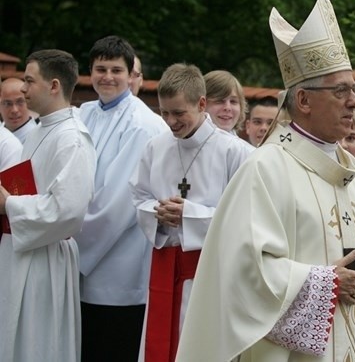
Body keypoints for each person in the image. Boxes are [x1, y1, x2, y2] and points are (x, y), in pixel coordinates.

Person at [176, 0, 355, 362]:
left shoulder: (352, 171)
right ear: (304, 101)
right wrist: (323, 284)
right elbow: (243, 274)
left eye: (354, 90)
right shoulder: (265, 170)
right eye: (341, 91)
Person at [131, 63, 253, 361]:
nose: (171, 121)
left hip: (209, 269)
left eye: (179, 113)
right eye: (165, 113)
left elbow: (246, 216)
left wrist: (189, 213)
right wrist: (156, 213)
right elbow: (138, 196)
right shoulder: (155, 147)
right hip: (164, 264)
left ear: (201, 105)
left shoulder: (234, 152)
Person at [74, 35, 168, 361]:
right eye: (101, 69)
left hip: (118, 266)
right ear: (90, 72)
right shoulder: (82, 114)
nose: (108, 77)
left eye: (116, 70)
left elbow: (117, 204)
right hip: (81, 257)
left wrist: (69, 247)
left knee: (112, 347)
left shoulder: (143, 125)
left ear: (132, 75)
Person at [0, 49, 97, 362]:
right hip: (21, 250)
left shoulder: (72, 138)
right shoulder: (42, 129)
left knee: (37, 344)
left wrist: (9, 204)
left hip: (44, 260)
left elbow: (67, 211)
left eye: (29, 81)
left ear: (54, 86)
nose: (23, 89)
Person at [203, 70, 246, 134]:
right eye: (219, 101)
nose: (228, 108)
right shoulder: (184, 142)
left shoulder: (242, 144)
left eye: (233, 101)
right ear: (202, 104)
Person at [0, 76, 39, 143]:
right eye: (7, 104)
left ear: (28, 102)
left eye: (20, 102)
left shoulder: (37, 138)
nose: (14, 110)